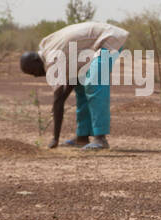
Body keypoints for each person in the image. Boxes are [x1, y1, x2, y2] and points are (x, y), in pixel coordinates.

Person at [19, 20, 128, 150]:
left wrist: (55, 138)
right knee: (80, 86)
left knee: (93, 83)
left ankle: (100, 139)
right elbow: (70, 81)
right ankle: (82, 137)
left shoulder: (51, 59)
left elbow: (58, 97)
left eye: (33, 71)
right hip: (93, 46)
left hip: (107, 39)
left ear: (36, 61)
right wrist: (61, 99)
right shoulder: (47, 47)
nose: (36, 76)